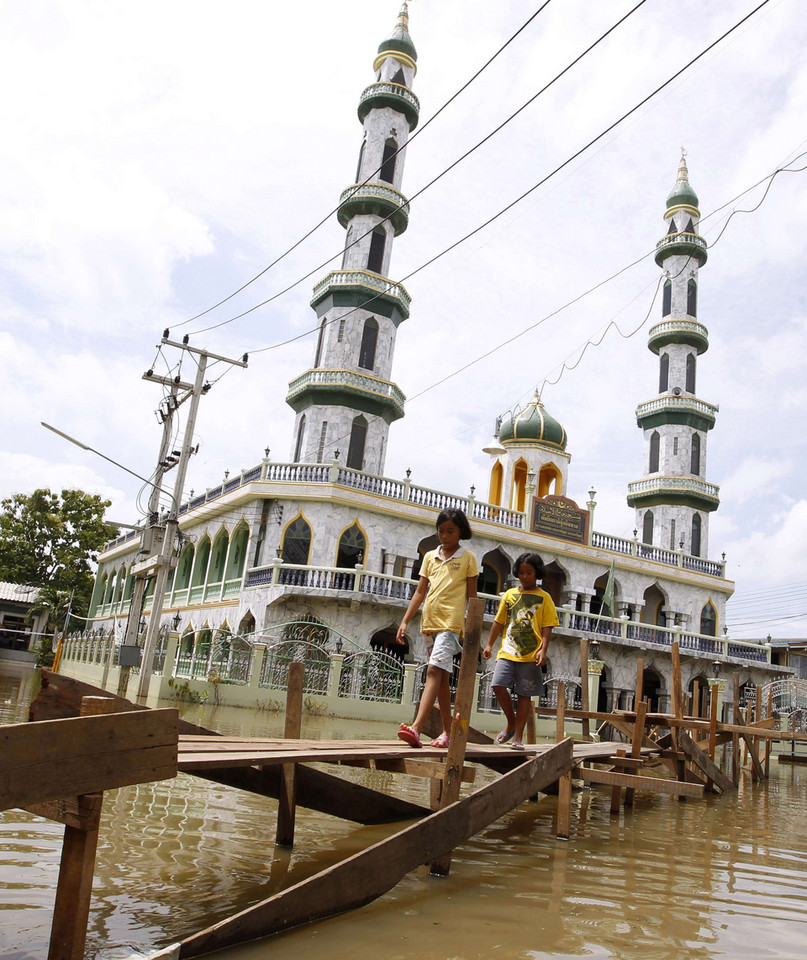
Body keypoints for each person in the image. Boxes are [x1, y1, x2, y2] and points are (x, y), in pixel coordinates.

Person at [395, 508, 478, 748]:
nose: (444, 535)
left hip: (451, 625)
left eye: (450, 531)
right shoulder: (430, 556)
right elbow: (420, 591)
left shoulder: (468, 558)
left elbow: (472, 598)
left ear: (461, 531)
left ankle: (417, 728)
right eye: (441, 531)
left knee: (432, 670)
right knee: (440, 677)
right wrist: (404, 621)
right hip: (429, 623)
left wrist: (472, 631)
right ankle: (448, 732)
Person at [482, 552, 558, 750]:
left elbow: (547, 627)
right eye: (522, 572)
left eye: (529, 573)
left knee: (524, 695)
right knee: (498, 685)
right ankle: (511, 722)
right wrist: (489, 644)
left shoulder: (545, 598)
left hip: (531, 654)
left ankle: (517, 737)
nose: (525, 576)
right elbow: (499, 621)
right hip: (508, 650)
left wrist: (543, 650)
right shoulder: (510, 595)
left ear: (537, 573)